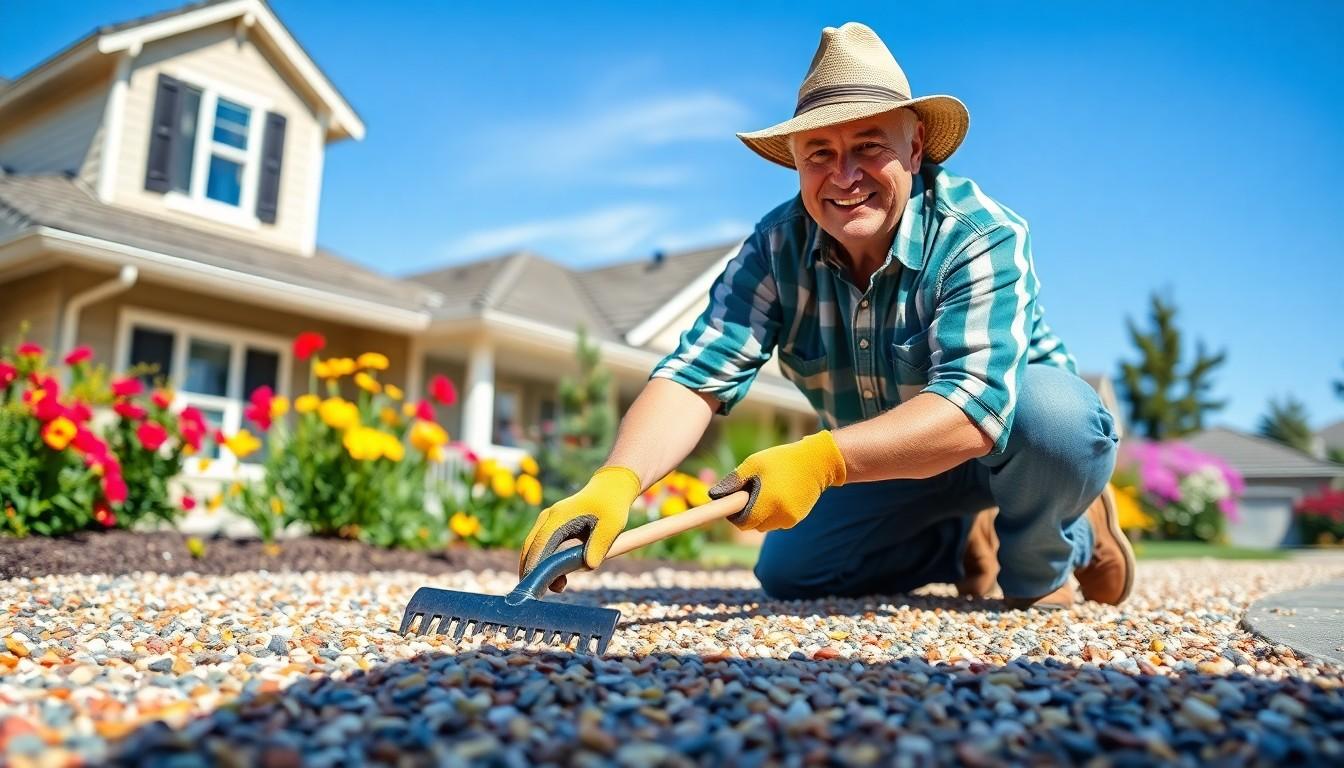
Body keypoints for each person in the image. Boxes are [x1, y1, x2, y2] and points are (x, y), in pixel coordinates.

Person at [519, 22, 1133, 608]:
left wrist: (821, 459)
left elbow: (974, 410)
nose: (844, 177)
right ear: (795, 160)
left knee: (1058, 421)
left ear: (914, 147)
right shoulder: (775, 248)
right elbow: (693, 376)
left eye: (869, 146)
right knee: (791, 573)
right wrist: (617, 480)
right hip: (886, 463)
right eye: (819, 153)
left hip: (1013, 449)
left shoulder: (979, 234)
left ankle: (1053, 549)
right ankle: (960, 543)